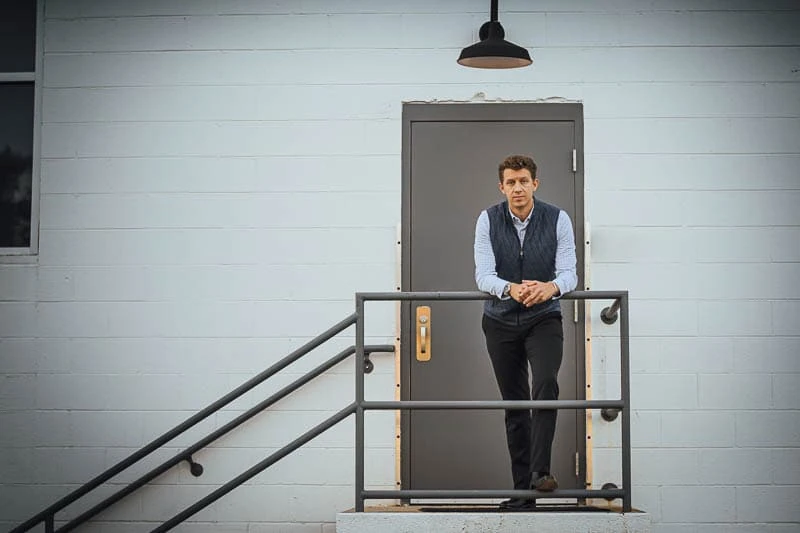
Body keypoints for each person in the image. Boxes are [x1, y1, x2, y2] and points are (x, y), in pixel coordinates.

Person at [473, 154, 578, 510]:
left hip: (544, 317)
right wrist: (511, 289)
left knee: (546, 383)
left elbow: (570, 272)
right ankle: (523, 494)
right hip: (499, 321)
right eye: (511, 182)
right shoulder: (488, 220)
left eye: (523, 181)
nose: (518, 188)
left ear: (535, 184)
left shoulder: (557, 218)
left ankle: (539, 473)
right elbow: (483, 275)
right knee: (515, 405)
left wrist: (551, 287)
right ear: (501, 187)